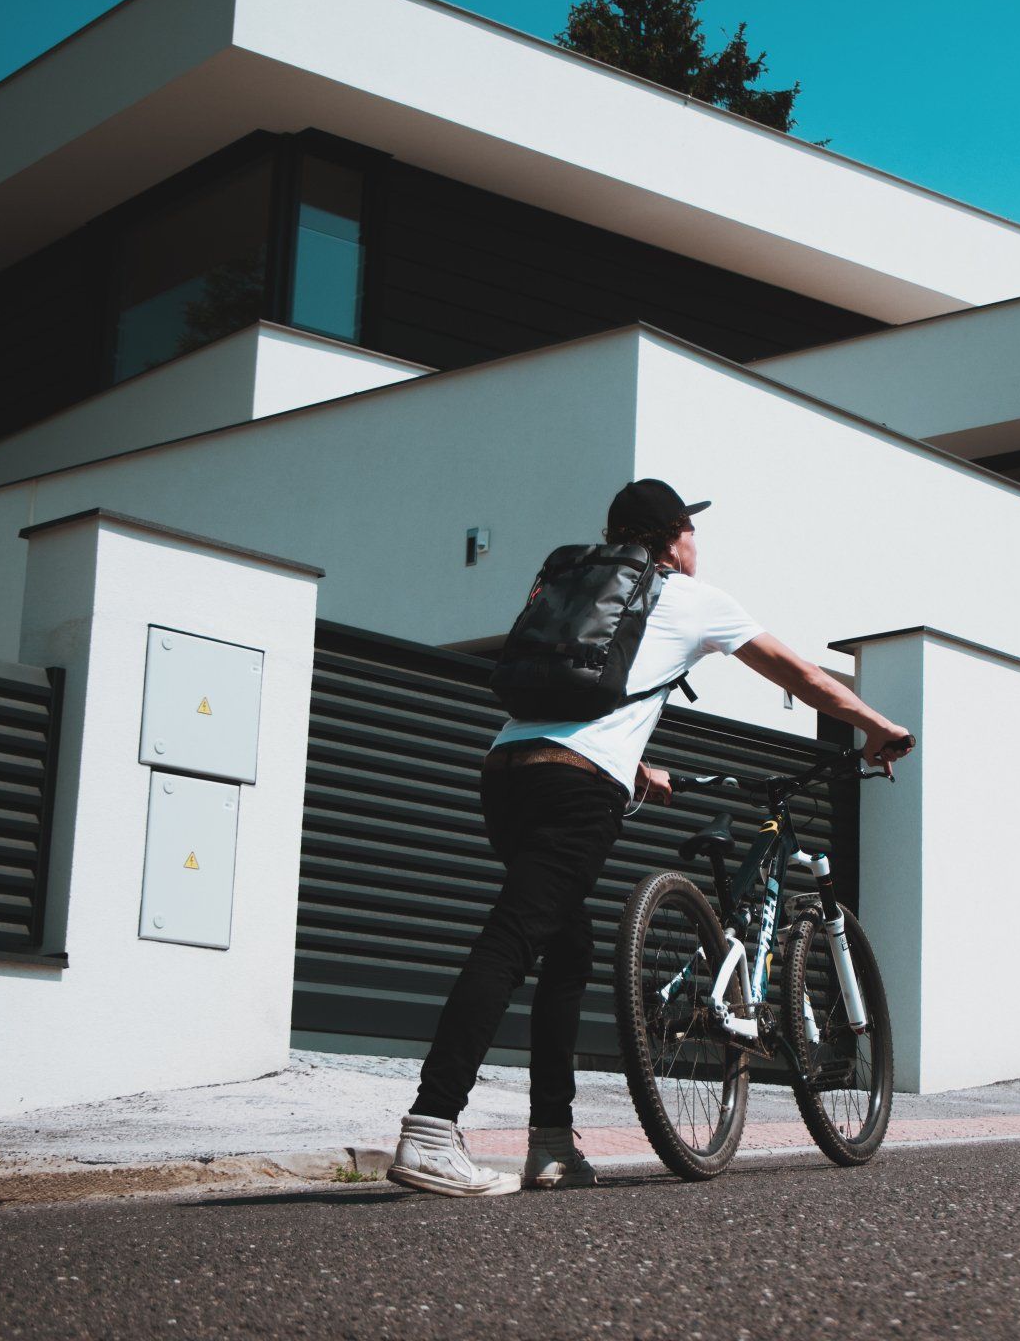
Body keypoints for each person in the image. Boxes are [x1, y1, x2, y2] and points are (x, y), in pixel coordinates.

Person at [388, 478, 915, 1196]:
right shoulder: (694, 598)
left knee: (566, 951)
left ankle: (551, 1144)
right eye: (690, 531)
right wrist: (876, 725)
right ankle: (430, 1126)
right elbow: (795, 670)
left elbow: (574, 695)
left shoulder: (585, 584)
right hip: (577, 790)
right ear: (673, 538)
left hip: (508, 770)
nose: (697, 543)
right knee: (512, 940)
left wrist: (634, 762)